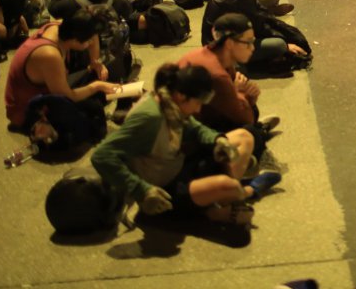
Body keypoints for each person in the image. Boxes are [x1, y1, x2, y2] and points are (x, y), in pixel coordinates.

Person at [92, 64, 280, 227]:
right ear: (182, 96)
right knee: (229, 188)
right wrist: (141, 190)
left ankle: (221, 201)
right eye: (198, 102)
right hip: (165, 187)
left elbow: (194, 127)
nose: (199, 108)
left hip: (181, 164)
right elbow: (101, 155)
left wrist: (217, 140)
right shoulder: (148, 117)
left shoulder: (169, 99)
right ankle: (247, 191)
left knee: (245, 137)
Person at [4, 8, 115, 149]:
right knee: (89, 115)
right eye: (87, 41)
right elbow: (68, 96)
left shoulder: (61, 25)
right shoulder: (49, 55)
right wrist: (97, 86)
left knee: (95, 79)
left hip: (47, 88)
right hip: (26, 110)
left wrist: (95, 62)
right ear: (75, 40)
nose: (90, 43)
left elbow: (94, 38)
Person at [179, 13, 279, 142]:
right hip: (187, 134)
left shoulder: (212, 54)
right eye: (248, 42)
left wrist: (238, 93)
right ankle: (260, 132)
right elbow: (246, 119)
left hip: (189, 121)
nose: (252, 48)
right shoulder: (217, 75)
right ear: (230, 43)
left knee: (249, 113)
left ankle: (258, 130)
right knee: (249, 132)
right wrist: (243, 94)